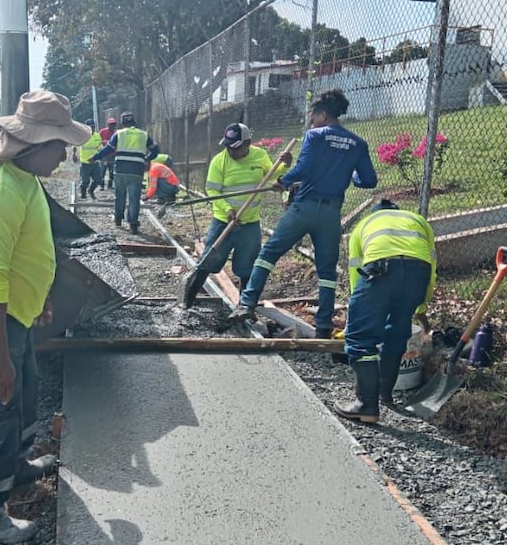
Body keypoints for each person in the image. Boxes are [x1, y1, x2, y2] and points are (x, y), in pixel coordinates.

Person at [0, 90, 91, 543]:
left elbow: (28, 251)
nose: (65, 154)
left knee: (24, 393)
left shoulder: (23, 176)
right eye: (60, 145)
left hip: (15, 314)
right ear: (33, 144)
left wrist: (39, 296)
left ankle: (15, 464)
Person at [229, 89, 377, 336]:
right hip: (330, 214)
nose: (311, 120)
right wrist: (350, 174)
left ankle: (246, 303)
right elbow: (369, 180)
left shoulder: (315, 136)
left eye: (313, 115)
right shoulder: (358, 144)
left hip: (304, 208)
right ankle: (323, 327)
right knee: (327, 272)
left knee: (268, 253)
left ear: (323, 114)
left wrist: (283, 181)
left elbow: (304, 167)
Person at [334, 199, 436, 425]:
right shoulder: (418, 220)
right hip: (417, 273)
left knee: (360, 338)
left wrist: (358, 306)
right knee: (397, 332)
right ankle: (385, 394)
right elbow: (432, 264)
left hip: (380, 270)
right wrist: (421, 305)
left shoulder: (364, 224)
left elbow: (356, 271)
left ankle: (366, 405)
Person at [183, 123, 291, 307]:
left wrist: (284, 166)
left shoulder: (260, 156)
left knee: (247, 265)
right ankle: (187, 301)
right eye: (228, 146)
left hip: (250, 223)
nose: (231, 151)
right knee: (209, 260)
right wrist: (228, 210)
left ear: (247, 143)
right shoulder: (219, 161)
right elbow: (212, 190)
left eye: (236, 147)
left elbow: (269, 174)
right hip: (223, 221)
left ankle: (243, 308)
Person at [92, 111, 158, 234]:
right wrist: (146, 159)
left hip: (121, 170)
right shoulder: (144, 134)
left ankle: (118, 219)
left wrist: (95, 157)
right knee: (134, 199)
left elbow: (107, 149)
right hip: (136, 171)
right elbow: (156, 150)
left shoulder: (119, 134)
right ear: (134, 122)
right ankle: (133, 225)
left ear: (122, 123)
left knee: (120, 196)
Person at [77, 119, 103, 200]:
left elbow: (99, 146)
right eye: (90, 127)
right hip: (85, 162)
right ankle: (83, 194)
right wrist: (74, 154)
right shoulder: (82, 136)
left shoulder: (97, 136)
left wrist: (102, 153)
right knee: (85, 181)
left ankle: (91, 191)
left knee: (98, 180)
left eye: (93, 126)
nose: (92, 128)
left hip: (95, 162)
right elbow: (75, 144)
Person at [98, 115, 118, 189]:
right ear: (108, 124)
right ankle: (101, 185)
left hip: (113, 155)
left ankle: (110, 185)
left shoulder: (116, 133)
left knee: (112, 171)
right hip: (104, 155)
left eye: (113, 124)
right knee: (102, 170)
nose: (112, 126)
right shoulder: (103, 131)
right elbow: (98, 141)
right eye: (111, 124)